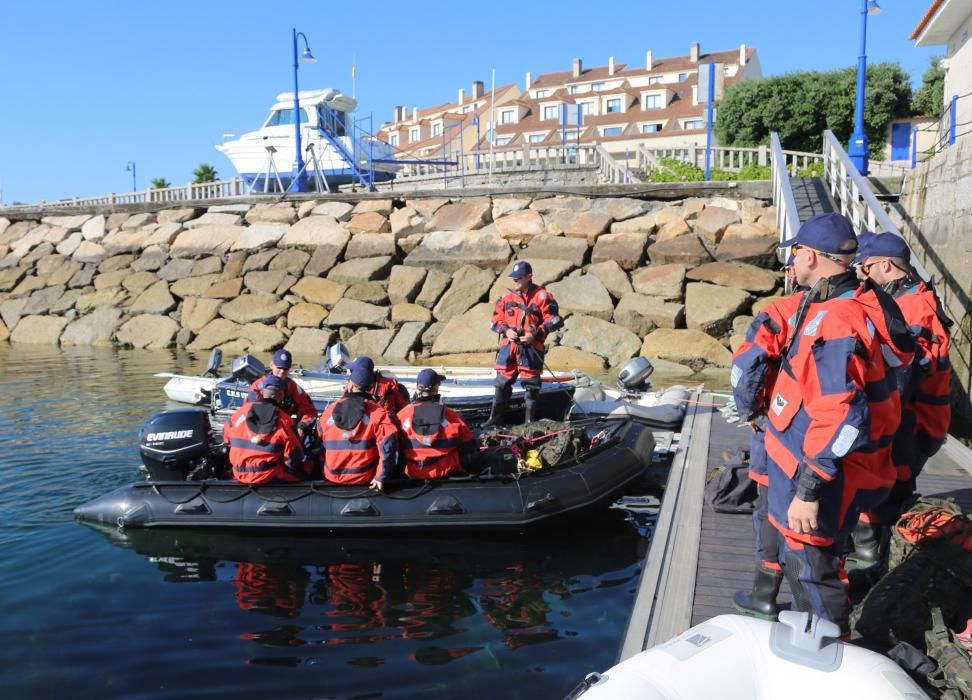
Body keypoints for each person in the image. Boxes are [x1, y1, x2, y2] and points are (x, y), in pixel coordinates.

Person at [730, 212, 914, 636]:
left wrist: (809, 491)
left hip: (818, 473)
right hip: (816, 460)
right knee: (807, 561)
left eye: (794, 253)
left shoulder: (834, 320)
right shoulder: (855, 302)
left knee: (811, 565)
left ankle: (831, 650)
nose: (790, 263)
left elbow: (842, 413)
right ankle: (815, 641)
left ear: (809, 255)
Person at [850, 232, 953, 563]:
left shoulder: (911, 308)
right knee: (889, 484)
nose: (860, 275)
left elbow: (905, 375)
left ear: (884, 265)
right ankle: (874, 551)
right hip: (915, 416)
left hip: (913, 419)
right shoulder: (914, 297)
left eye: (864, 268)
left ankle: (872, 558)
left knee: (887, 483)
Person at [730, 257, 805, 620]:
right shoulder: (863, 310)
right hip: (832, 442)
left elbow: (747, 369)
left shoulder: (782, 312)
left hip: (780, 435)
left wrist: (754, 413)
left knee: (770, 514)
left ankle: (767, 596)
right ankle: (814, 607)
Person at [487, 261, 563, 425]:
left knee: (532, 385)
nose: (515, 282)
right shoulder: (506, 297)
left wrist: (534, 334)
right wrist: (506, 330)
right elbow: (494, 321)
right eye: (514, 279)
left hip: (530, 348)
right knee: (502, 383)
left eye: (519, 279)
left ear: (529, 277)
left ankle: (529, 423)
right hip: (509, 348)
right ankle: (494, 419)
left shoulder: (543, 296)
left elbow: (555, 320)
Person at [316, 356, 398, 492]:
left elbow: (317, 444)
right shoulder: (379, 414)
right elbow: (388, 447)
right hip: (364, 477)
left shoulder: (328, 412)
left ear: (350, 384)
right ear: (370, 386)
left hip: (331, 477)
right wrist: (380, 477)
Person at [224, 375, 308, 484]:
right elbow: (293, 460)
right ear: (281, 395)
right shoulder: (285, 421)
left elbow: (227, 440)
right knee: (307, 468)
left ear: (262, 392)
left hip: (239, 474)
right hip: (267, 476)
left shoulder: (239, 414)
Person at [397, 368, 477, 480]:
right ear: (436, 387)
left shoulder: (402, 414)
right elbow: (469, 443)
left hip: (413, 472)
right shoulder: (450, 415)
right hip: (444, 471)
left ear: (418, 387)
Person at [248, 348, 317, 429]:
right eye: (279, 367)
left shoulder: (293, 387)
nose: (282, 371)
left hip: (284, 426)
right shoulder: (256, 387)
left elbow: (309, 411)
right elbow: (248, 411)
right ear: (271, 365)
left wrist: (301, 427)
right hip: (260, 427)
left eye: (285, 369)